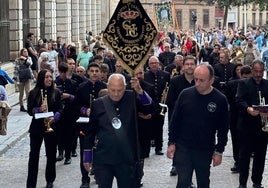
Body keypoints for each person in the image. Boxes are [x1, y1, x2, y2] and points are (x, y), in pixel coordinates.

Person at [82, 73, 154, 188]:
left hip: (127, 158)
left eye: (119, 90)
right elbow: (90, 132)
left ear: (125, 87)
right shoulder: (98, 104)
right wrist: (87, 156)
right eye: (113, 90)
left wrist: (140, 91)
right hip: (104, 158)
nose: (116, 94)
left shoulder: (132, 97)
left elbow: (150, 108)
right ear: (107, 86)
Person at [167, 63, 229, 188]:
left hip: (204, 149)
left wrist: (219, 150)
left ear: (211, 80)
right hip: (184, 147)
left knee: (203, 182)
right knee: (183, 182)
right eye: (196, 79)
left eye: (202, 80)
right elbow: (175, 120)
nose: (197, 83)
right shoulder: (185, 94)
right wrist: (171, 142)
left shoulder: (220, 99)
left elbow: (223, 128)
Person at [26, 69, 63, 188]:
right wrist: (38, 109)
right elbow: (29, 110)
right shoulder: (33, 92)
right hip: (36, 128)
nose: (49, 80)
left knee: (51, 154)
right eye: (46, 77)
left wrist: (55, 117)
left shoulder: (56, 92)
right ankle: (31, 184)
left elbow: (60, 109)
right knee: (33, 156)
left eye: (50, 77)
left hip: (51, 126)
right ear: (41, 78)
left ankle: (50, 180)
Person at [236, 60, 268, 188]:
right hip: (246, 126)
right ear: (252, 70)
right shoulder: (243, 83)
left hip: (263, 127)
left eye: (261, 71)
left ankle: (257, 182)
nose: (259, 74)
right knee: (244, 156)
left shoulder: (267, 84)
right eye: (256, 71)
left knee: (260, 156)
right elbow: (239, 100)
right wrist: (248, 109)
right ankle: (242, 183)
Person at [74, 63, 107, 188]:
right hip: (85, 125)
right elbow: (75, 106)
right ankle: (85, 178)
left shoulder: (104, 87)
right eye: (92, 71)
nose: (94, 73)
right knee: (85, 150)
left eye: (96, 71)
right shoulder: (81, 88)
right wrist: (84, 110)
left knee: (99, 150)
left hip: (101, 125)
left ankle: (99, 174)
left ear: (100, 72)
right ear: (88, 72)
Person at [226, 65, 252, 174]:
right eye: (244, 76)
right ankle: (238, 161)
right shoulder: (232, 84)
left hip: (250, 117)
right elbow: (228, 100)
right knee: (235, 140)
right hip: (235, 115)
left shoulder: (253, 85)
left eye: (247, 76)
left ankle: (245, 160)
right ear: (240, 75)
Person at [144, 55, 170, 155]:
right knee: (148, 126)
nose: (154, 65)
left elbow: (168, 88)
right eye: (152, 63)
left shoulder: (166, 74)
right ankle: (146, 148)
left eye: (156, 63)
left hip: (161, 105)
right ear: (149, 65)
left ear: (159, 63)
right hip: (149, 105)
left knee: (160, 126)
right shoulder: (145, 75)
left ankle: (159, 147)